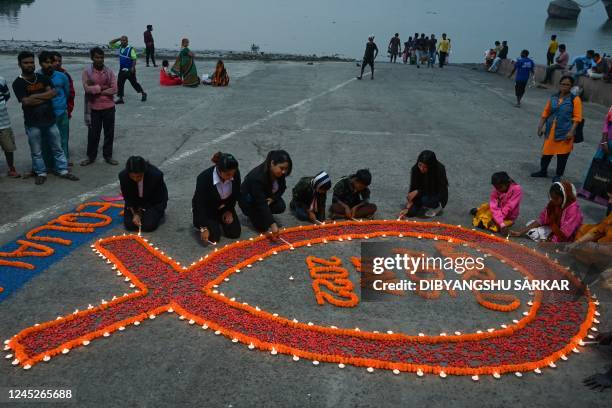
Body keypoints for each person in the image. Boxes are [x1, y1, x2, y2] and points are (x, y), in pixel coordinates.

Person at [12, 51, 78, 185]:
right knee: (37, 150)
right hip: (33, 122)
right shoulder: (18, 83)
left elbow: (53, 93)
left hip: (50, 120)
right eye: (26, 63)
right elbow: (25, 102)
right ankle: (41, 172)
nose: (29, 65)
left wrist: (34, 97)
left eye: (31, 62)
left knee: (58, 147)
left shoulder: (42, 78)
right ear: (19, 65)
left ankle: (63, 170)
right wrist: (43, 96)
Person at [531, 75, 582, 183]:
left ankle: (558, 175)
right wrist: (540, 126)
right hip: (551, 130)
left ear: (571, 86)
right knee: (546, 153)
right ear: (559, 84)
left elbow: (577, 118)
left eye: (567, 85)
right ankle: (543, 171)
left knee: (562, 155)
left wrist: (571, 132)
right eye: (563, 84)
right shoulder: (554, 97)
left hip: (565, 131)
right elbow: (546, 112)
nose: (564, 86)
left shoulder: (575, 99)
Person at [239, 150, 292, 238]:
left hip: (265, 197)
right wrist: (272, 224)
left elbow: (282, 187)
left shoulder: (279, 174)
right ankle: (253, 215)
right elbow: (261, 202)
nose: (284, 172)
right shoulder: (257, 177)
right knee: (263, 227)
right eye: (282, 168)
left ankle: (264, 215)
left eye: (286, 169)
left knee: (280, 206)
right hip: (250, 202)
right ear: (272, 163)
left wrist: (273, 198)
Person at [510, 181, 583, 243]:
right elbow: (542, 219)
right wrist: (520, 232)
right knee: (531, 228)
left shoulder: (572, 209)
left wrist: (550, 242)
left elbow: (564, 233)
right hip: (555, 227)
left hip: (568, 234)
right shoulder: (553, 204)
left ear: (565, 197)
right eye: (552, 198)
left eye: (556, 199)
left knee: (536, 234)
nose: (553, 201)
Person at [192, 152, 241, 244]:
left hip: (224, 207)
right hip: (207, 210)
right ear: (219, 170)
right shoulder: (204, 178)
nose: (231, 177)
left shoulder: (235, 173)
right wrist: (203, 227)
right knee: (214, 237)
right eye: (228, 174)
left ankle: (217, 221)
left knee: (234, 233)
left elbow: (235, 194)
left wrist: (229, 210)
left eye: (233, 173)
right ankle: (201, 223)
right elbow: (199, 204)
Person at [81, 47, 118, 166]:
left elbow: (115, 89)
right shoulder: (87, 72)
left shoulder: (109, 71)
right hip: (94, 107)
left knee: (109, 133)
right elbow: (87, 88)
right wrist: (103, 88)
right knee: (93, 134)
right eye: (97, 57)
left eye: (101, 57)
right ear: (92, 58)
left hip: (109, 107)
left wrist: (96, 89)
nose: (100, 59)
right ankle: (91, 157)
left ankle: (108, 156)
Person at [38, 51, 71, 169]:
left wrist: (61, 107)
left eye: (51, 62)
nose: (50, 65)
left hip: (61, 113)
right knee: (45, 140)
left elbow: (67, 93)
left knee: (63, 140)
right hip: (44, 114)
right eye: (46, 62)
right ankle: (48, 165)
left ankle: (63, 164)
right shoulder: (37, 77)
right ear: (40, 63)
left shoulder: (62, 76)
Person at [119, 156, 168, 232]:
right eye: (132, 176)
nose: (135, 179)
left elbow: (158, 198)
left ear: (144, 171)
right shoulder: (123, 176)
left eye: (139, 176)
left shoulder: (156, 176)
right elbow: (127, 197)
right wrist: (134, 213)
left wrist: (140, 213)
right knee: (130, 225)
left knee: (148, 226)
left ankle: (159, 214)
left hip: (152, 202)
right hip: (135, 202)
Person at [399, 150, 448, 218]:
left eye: (425, 167)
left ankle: (437, 207)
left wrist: (418, 192)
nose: (421, 169)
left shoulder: (439, 170)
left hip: (437, 194)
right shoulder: (415, 169)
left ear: (431, 166)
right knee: (411, 213)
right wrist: (408, 207)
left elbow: (439, 191)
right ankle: (421, 204)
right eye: (420, 165)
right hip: (423, 192)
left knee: (426, 200)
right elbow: (413, 187)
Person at [579, 106, 612, 202]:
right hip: (607, 140)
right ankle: (588, 191)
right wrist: (604, 141)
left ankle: (604, 197)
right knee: (597, 164)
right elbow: (606, 123)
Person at [109, 35, 147, 103]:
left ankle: (143, 93)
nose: (123, 42)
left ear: (127, 41)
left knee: (134, 83)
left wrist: (132, 67)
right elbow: (111, 43)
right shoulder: (119, 46)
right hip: (122, 69)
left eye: (124, 40)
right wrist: (118, 38)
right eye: (122, 40)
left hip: (130, 70)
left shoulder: (130, 49)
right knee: (120, 83)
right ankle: (120, 98)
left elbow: (134, 58)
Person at [0, 75, 20, 177]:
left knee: (9, 148)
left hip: (4, 122)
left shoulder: (1, 80)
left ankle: (11, 168)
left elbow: (7, 95)